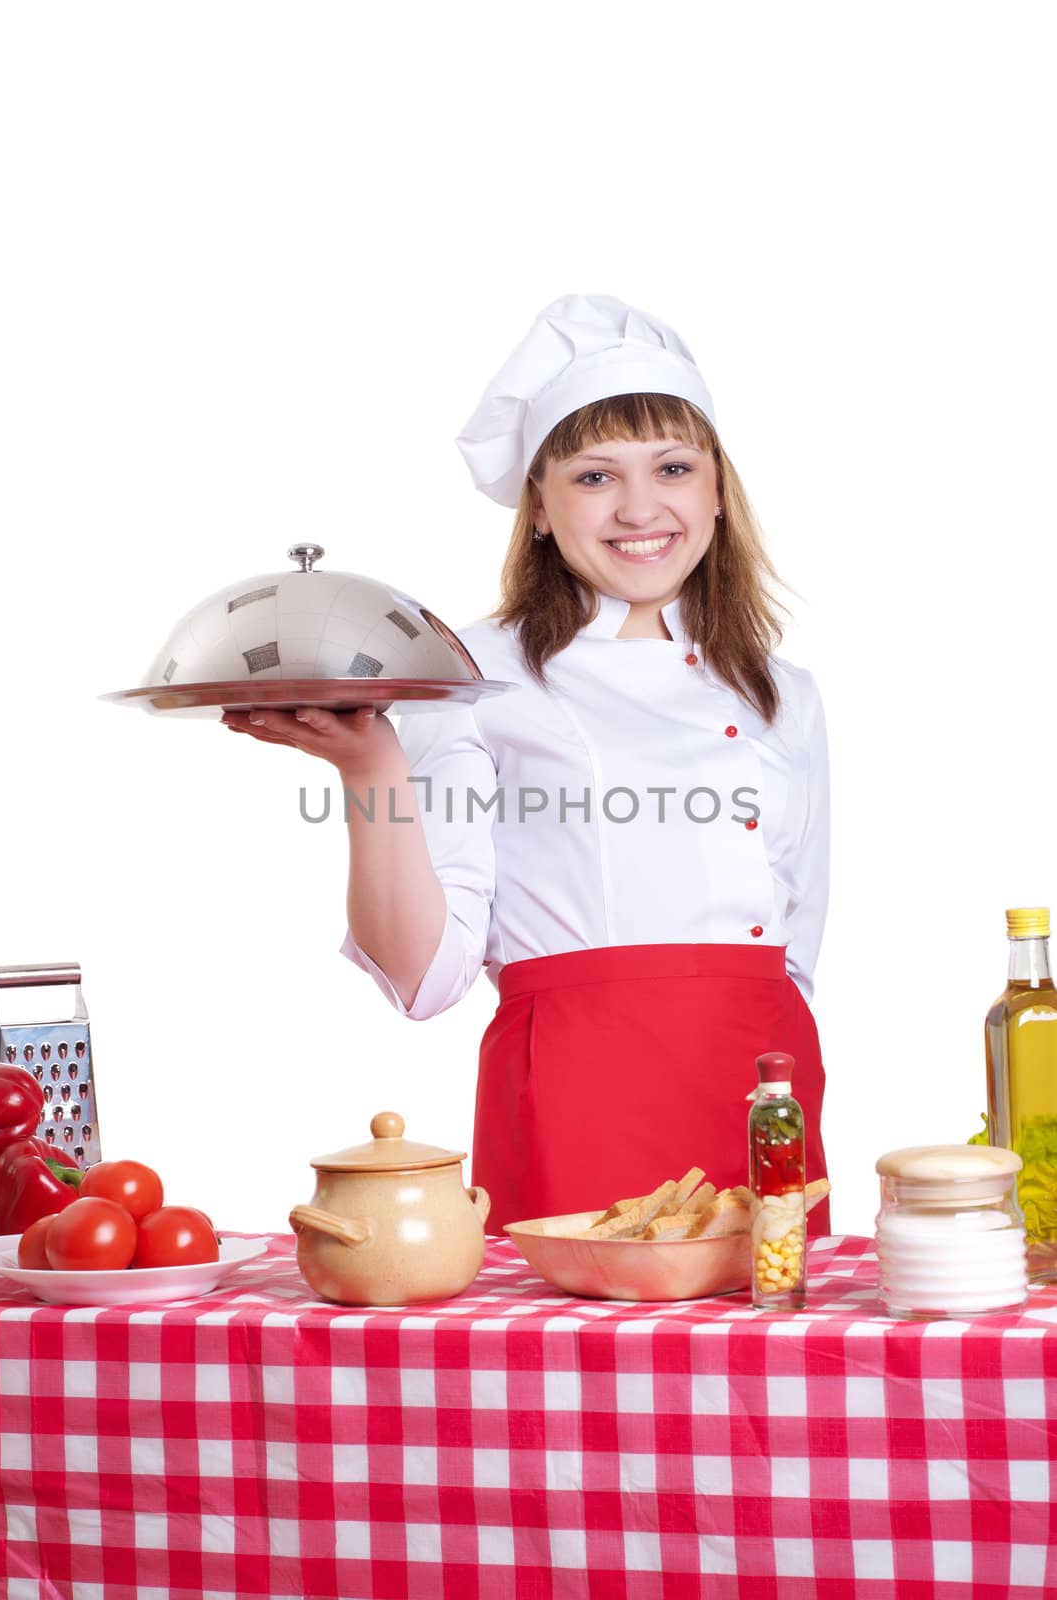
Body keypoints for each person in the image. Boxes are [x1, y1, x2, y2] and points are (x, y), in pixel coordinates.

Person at [223, 294, 832, 1237]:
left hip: (762, 1092)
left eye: (673, 467)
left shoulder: (780, 693)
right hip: (576, 1097)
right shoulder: (468, 674)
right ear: (539, 508)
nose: (640, 509)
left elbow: (791, 957)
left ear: (717, 489)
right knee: (574, 1374)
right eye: (594, 476)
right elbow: (426, 979)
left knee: (761, 1372)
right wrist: (372, 774)